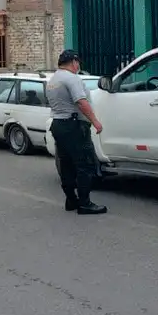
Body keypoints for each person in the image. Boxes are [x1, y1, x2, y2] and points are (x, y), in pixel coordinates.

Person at [46, 50, 107, 215]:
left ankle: (71, 199)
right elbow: (80, 101)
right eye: (77, 62)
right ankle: (85, 203)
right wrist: (95, 121)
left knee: (66, 164)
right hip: (74, 125)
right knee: (85, 164)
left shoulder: (53, 80)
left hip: (58, 124)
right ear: (74, 62)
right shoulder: (71, 78)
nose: (78, 65)